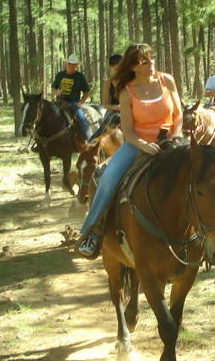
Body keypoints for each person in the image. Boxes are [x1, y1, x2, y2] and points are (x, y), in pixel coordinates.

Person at [75, 44, 183, 259]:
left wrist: (176, 136)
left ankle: (209, 231)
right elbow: (129, 131)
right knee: (107, 177)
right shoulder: (127, 92)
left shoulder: (166, 81)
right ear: (134, 67)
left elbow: (178, 114)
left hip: (172, 140)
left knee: (204, 171)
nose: (151, 63)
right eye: (144, 61)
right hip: (137, 144)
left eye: (151, 58)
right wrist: (143, 145)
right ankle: (93, 233)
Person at [51, 54, 91, 141]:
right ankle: (42, 141)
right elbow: (53, 89)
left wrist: (80, 102)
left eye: (74, 64)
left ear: (76, 65)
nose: (71, 66)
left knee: (81, 118)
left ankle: (89, 139)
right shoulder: (60, 75)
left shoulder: (80, 77)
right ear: (67, 64)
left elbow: (86, 92)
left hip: (73, 103)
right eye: (70, 64)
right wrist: (57, 92)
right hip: (59, 102)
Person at [89, 53, 123, 142]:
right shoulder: (108, 83)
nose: (115, 66)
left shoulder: (130, 81)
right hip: (113, 111)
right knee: (101, 131)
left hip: (130, 110)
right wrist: (116, 107)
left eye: (118, 64)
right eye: (112, 64)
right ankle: (92, 143)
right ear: (110, 67)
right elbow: (105, 103)